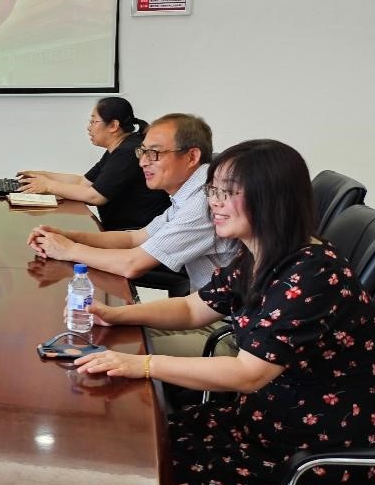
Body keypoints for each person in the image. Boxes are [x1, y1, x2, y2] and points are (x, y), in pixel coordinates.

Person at [73, 140, 375, 485]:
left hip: (319, 457)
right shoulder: (264, 253)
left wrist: (141, 363)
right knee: (151, 449)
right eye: (213, 191)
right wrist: (117, 314)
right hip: (266, 425)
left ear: (270, 198)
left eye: (228, 192)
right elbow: (195, 308)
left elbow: (247, 374)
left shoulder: (311, 273)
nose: (214, 203)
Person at [29, 113, 239, 356]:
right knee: (96, 335)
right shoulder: (189, 193)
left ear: (192, 156)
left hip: (225, 332)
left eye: (154, 153)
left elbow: (132, 265)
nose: (142, 163)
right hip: (203, 311)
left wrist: (68, 250)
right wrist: (69, 236)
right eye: (143, 152)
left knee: (102, 348)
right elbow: (134, 238)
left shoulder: (205, 199)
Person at [15, 96, 168, 230]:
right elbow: (83, 182)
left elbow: (95, 196)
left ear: (113, 125)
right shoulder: (119, 147)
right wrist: (42, 175)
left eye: (94, 121)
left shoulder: (127, 151)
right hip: (125, 229)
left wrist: (48, 185)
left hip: (135, 232)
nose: (89, 127)